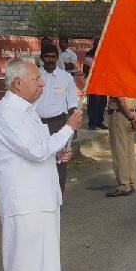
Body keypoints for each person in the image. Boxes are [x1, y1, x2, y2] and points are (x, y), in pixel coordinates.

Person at [0, 58, 83, 271]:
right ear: (18, 84)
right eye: (36, 80)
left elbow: (40, 148)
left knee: (43, 256)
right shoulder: (6, 113)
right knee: (25, 258)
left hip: (41, 196)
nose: (42, 84)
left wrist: (59, 153)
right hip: (24, 199)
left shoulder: (27, 111)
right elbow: (35, 150)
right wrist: (69, 127)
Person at [36, 42, 79, 192]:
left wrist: (73, 128)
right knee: (38, 163)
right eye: (47, 57)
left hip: (58, 124)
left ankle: (57, 203)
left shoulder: (66, 77)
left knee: (60, 164)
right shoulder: (34, 76)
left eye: (53, 57)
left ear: (57, 57)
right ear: (41, 58)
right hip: (36, 125)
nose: (50, 60)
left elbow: (72, 104)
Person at [106, 94, 136, 197]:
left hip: (120, 114)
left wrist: (130, 116)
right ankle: (130, 182)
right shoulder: (135, 78)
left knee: (120, 151)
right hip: (132, 112)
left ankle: (123, 184)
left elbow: (121, 99)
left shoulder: (117, 78)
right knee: (129, 151)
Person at [83, 37, 107, 130]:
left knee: (102, 102)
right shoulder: (90, 53)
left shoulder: (104, 53)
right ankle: (92, 123)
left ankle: (99, 122)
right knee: (94, 102)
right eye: (97, 42)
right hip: (93, 83)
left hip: (103, 83)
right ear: (94, 43)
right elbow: (85, 69)